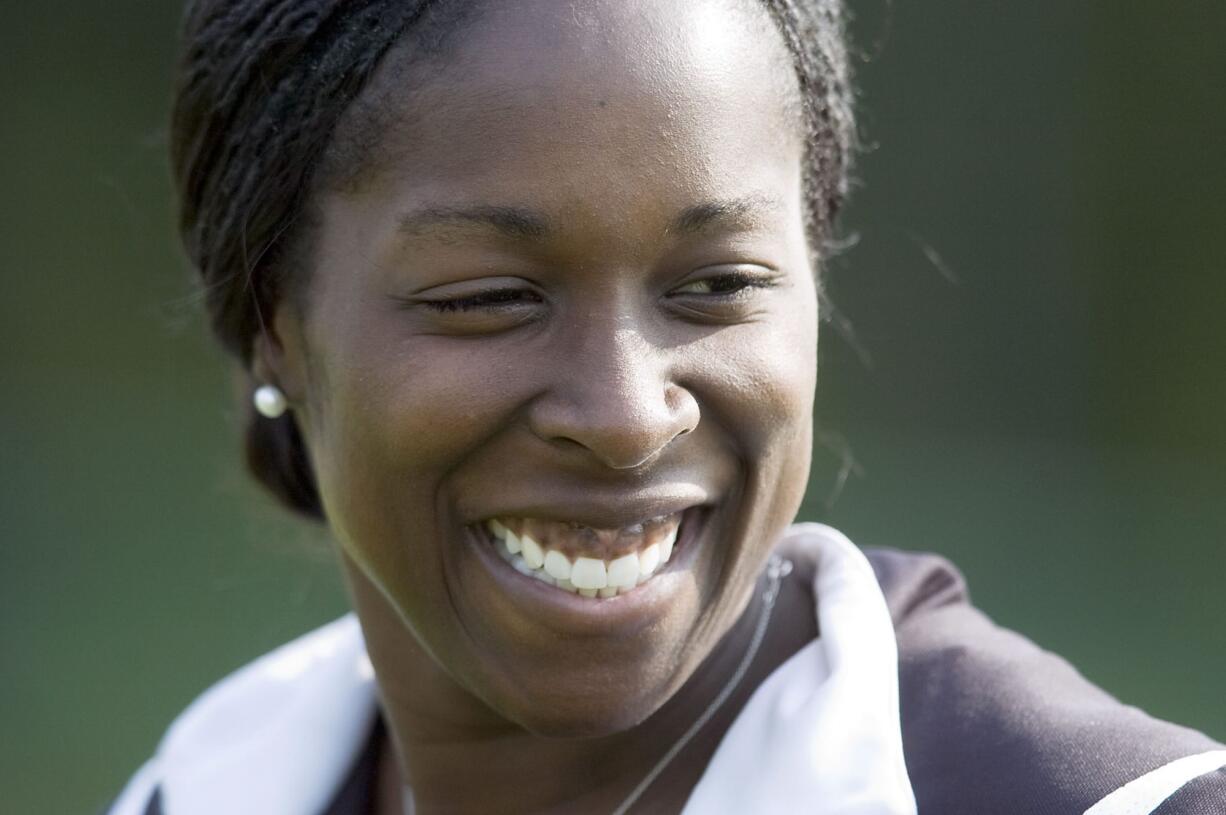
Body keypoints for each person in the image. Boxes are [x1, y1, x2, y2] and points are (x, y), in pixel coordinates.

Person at [108, 1, 1225, 813]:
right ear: (275, 321)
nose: (629, 414)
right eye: (488, 298)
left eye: (717, 285)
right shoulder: (194, 787)